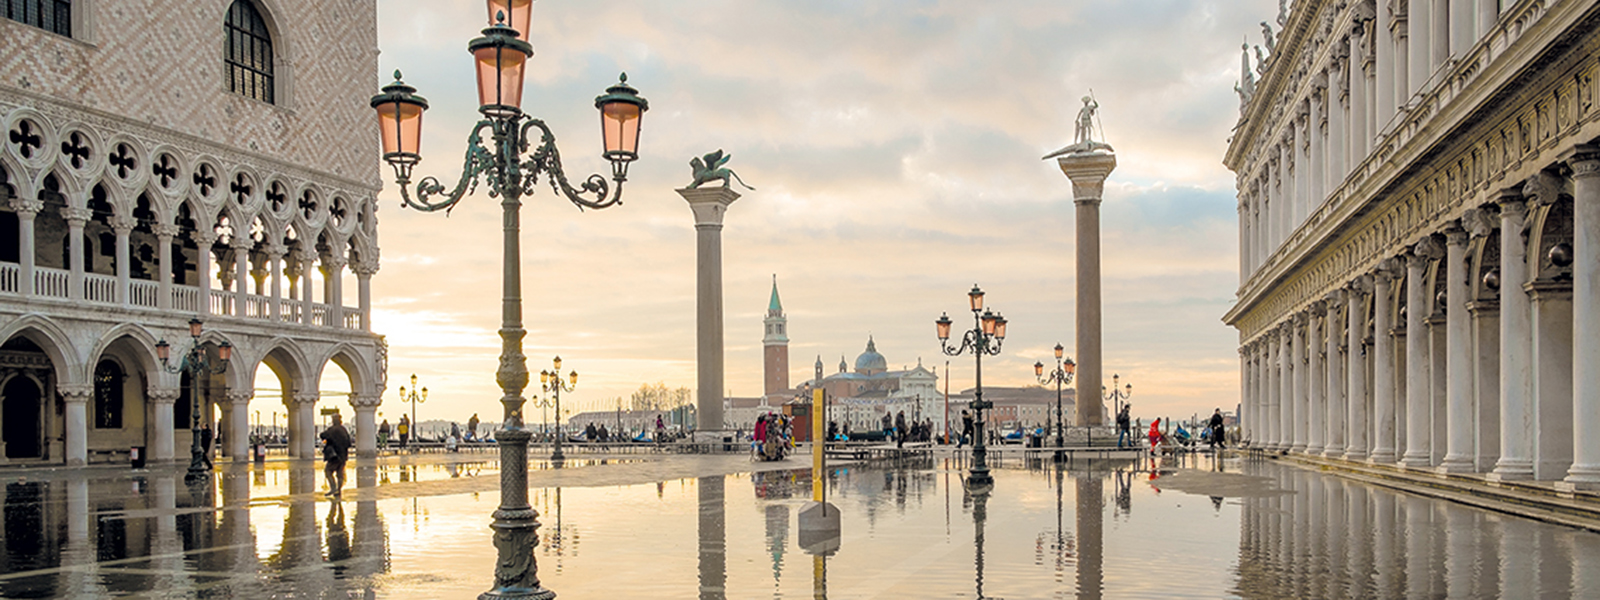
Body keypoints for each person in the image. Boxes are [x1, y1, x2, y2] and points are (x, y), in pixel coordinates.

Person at [319, 413, 353, 497]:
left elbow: (322, 435)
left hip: (334, 455)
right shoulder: (343, 429)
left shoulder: (332, 429)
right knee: (340, 473)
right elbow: (349, 443)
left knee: (328, 471)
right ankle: (338, 490)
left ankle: (333, 488)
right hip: (343, 455)